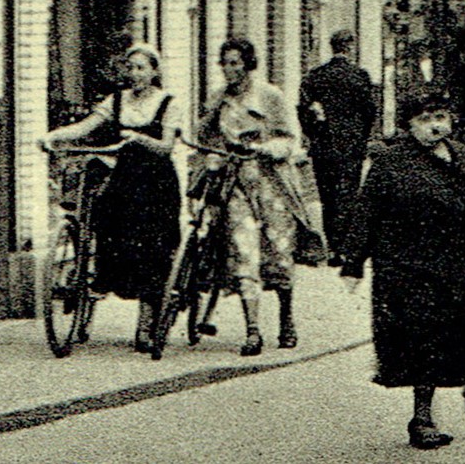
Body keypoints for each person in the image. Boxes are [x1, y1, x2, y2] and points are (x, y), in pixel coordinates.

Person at [340, 86, 465, 449]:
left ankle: (423, 413)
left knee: (440, 338)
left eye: (440, 117)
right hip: (403, 264)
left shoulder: (462, 157)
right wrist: (353, 263)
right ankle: (422, 418)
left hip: (449, 263)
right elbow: (366, 212)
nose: (434, 126)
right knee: (420, 338)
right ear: (409, 125)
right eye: (424, 120)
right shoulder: (391, 162)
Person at [44, 42, 183, 350]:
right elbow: (86, 126)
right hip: (125, 179)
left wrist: (139, 139)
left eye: (141, 68)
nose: (134, 74)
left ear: (154, 71)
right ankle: (98, 288)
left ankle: (146, 326)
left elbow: (166, 147)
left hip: (157, 184)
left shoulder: (168, 103)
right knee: (105, 223)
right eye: (130, 68)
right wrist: (54, 136)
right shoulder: (117, 100)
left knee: (152, 248)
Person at [200, 37, 312, 354]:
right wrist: (212, 156)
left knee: (279, 251)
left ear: (248, 64)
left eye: (235, 63)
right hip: (236, 183)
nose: (229, 69)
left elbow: (289, 139)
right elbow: (206, 136)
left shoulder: (270, 96)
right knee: (243, 250)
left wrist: (266, 148)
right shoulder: (218, 99)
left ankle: (286, 317)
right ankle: (252, 330)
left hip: (271, 183)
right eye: (225, 63)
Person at [298, 30, 378, 263]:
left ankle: (333, 247)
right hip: (351, 146)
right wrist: (362, 137)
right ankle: (344, 247)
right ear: (350, 48)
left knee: (327, 195)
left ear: (332, 47)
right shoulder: (359, 76)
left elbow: (303, 110)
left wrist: (314, 135)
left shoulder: (315, 76)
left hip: (323, 145)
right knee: (348, 193)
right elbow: (370, 111)